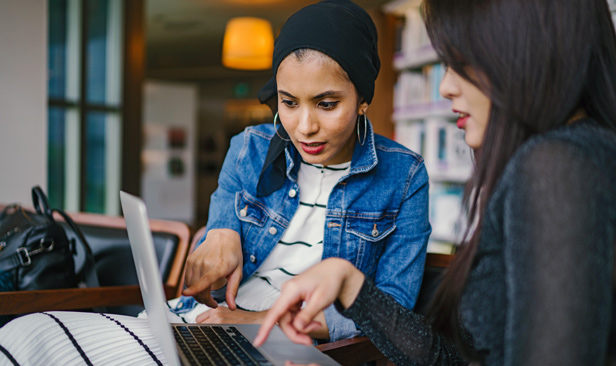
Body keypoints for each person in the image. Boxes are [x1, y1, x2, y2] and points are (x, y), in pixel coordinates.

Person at [0, 1, 430, 362]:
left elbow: (389, 314)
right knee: (28, 333)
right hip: (198, 321)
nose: (304, 126)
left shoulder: (404, 176)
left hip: (282, 346)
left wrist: (262, 322)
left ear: (364, 100)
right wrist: (218, 232)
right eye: (288, 102)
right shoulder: (251, 146)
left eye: (327, 103)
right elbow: (219, 231)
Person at [254, 0, 616, 365]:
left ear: (524, 49)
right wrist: (350, 285)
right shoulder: (575, 156)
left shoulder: (560, 166)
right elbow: (458, 360)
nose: (445, 87)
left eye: (460, 62)